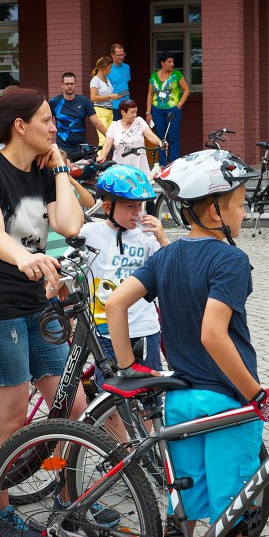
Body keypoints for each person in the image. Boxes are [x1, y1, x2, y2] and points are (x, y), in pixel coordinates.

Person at [105, 149, 269, 537]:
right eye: (240, 204)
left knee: (184, 510)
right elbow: (213, 333)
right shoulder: (231, 260)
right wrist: (258, 396)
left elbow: (115, 304)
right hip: (227, 406)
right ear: (214, 209)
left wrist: (128, 368)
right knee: (231, 520)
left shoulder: (165, 256)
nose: (244, 213)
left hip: (182, 402)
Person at [0, 87, 107, 537]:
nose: (54, 127)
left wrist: (61, 168)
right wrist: (22, 259)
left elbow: (69, 225)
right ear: (20, 127)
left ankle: (69, 498)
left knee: (74, 407)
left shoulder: (43, 172)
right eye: (47, 120)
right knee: (11, 416)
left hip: (37, 304)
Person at [80, 164, 167, 387]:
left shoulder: (146, 237)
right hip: (104, 330)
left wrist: (162, 238)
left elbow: (167, 271)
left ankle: (146, 424)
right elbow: (73, 269)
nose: (138, 212)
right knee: (109, 397)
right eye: (131, 206)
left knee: (149, 394)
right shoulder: (91, 234)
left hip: (143, 327)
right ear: (107, 207)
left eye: (140, 205)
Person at [147, 53, 191, 164]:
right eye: (169, 62)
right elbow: (150, 95)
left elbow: (186, 89)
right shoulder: (154, 76)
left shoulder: (176, 74)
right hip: (157, 110)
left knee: (173, 137)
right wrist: (148, 112)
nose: (172, 64)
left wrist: (180, 104)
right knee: (161, 137)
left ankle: (173, 163)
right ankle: (162, 163)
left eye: (173, 62)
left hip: (173, 109)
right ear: (162, 63)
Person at [49, 72, 103, 159]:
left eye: (72, 84)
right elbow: (46, 123)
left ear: (75, 85)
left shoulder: (84, 101)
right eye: (67, 84)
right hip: (63, 150)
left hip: (82, 150)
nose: (69, 86)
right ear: (62, 85)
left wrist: (110, 137)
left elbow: (97, 122)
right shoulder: (54, 102)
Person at [97, 100, 162, 171]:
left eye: (136, 112)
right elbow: (107, 145)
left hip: (139, 167)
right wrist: (103, 156)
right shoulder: (114, 125)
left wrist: (160, 142)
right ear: (123, 112)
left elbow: (150, 136)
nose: (135, 115)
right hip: (120, 169)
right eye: (132, 112)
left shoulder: (139, 121)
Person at [89, 56, 120, 147]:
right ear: (102, 68)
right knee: (104, 140)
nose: (110, 70)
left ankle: (109, 159)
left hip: (109, 111)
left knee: (111, 138)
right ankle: (100, 159)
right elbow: (93, 98)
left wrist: (114, 96)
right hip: (100, 111)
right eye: (109, 68)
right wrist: (110, 96)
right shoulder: (95, 80)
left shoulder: (107, 79)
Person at [108, 43, 132, 122]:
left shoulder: (126, 67)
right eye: (119, 55)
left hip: (127, 102)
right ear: (112, 55)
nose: (122, 57)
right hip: (115, 105)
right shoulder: (108, 69)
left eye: (123, 54)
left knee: (129, 128)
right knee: (117, 129)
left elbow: (126, 83)